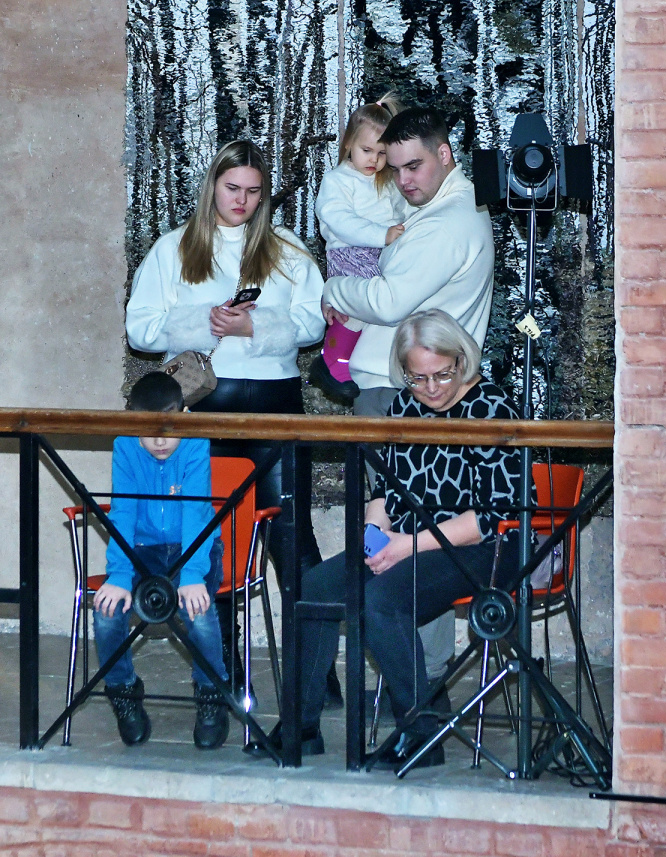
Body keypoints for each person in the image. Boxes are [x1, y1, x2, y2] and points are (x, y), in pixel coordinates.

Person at [249, 310, 521, 767]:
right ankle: (302, 726)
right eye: (418, 378)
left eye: (442, 374)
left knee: (382, 601)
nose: (431, 388)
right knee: (316, 587)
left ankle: (421, 734)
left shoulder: (493, 407)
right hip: (410, 542)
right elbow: (387, 492)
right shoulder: (405, 408)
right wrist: (373, 538)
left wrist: (404, 548)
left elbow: (493, 516)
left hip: (485, 548)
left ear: (462, 359)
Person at [125, 140, 328, 700]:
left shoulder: (286, 247)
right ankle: (222, 669)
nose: (241, 200)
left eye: (253, 192)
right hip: (206, 411)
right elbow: (139, 328)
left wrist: (255, 327)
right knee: (211, 540)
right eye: (232, 188)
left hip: (277, 408)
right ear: (212, 185)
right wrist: (204, 323)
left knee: (293, 539)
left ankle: (317, 672)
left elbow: (314, 323)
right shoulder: (174, 248)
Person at [322, 105, 496, 699]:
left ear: (446, 154)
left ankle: (420, 691)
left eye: (414, 166)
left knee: (412, 545)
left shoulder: (448, 221)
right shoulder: (434, 211)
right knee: (393, 536)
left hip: (406, 391)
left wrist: (335, 287)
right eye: (395, 169)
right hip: (397, 392)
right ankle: (415, 686)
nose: (404, 180)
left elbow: (390, 300)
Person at [93, 372, 230, 750]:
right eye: (148, 431)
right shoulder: (125, 447)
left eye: (167, 430)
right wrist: (120, 574)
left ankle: (211, 693)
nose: (159, 442)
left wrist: (192, 574)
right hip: (143, 548)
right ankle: (123, 691)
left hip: (194, 546)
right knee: (106, 612)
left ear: (184, 415)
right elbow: (123, 512)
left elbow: (196, 513)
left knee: (197, 610)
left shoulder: (195, 443)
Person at [309, 92, 407, 403]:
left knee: (382, 304)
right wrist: (383, 234)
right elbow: (340, 221)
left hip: (379, 252)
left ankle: (352, 360)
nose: (373, 160)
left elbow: (401, 212)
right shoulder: (338, 180)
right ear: (349, 142)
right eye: (366, 151)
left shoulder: (386, 182)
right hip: (348, 252)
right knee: (359, 304)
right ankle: (331, 359)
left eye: (382, 154)